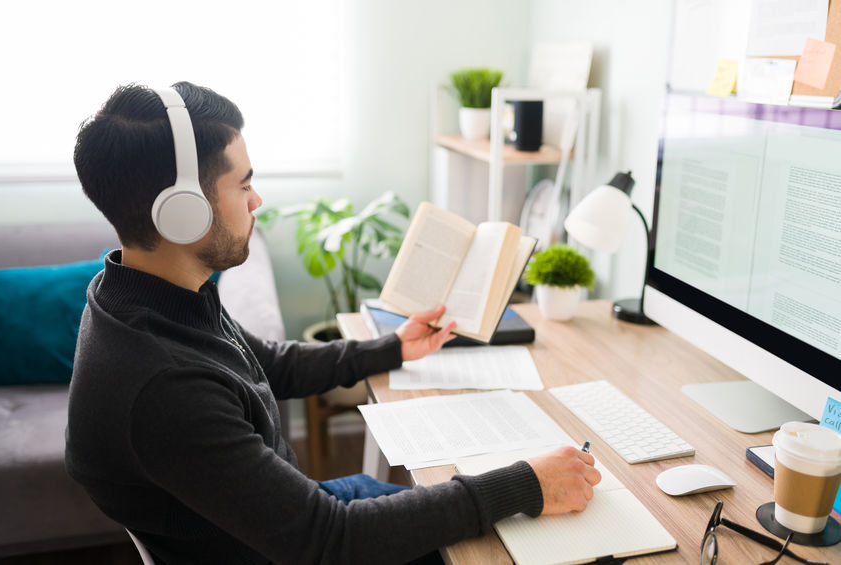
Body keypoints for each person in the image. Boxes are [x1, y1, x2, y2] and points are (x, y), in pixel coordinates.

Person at [65, 81, 601, 565]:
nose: (256, 200)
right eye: (242, 184)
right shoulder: (163, 387)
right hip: (298, 544)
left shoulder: (148, 292)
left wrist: (390, 348)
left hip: (285, 517)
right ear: (182, 212)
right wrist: (525, 484)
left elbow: (264, 363)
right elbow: (331, 540)